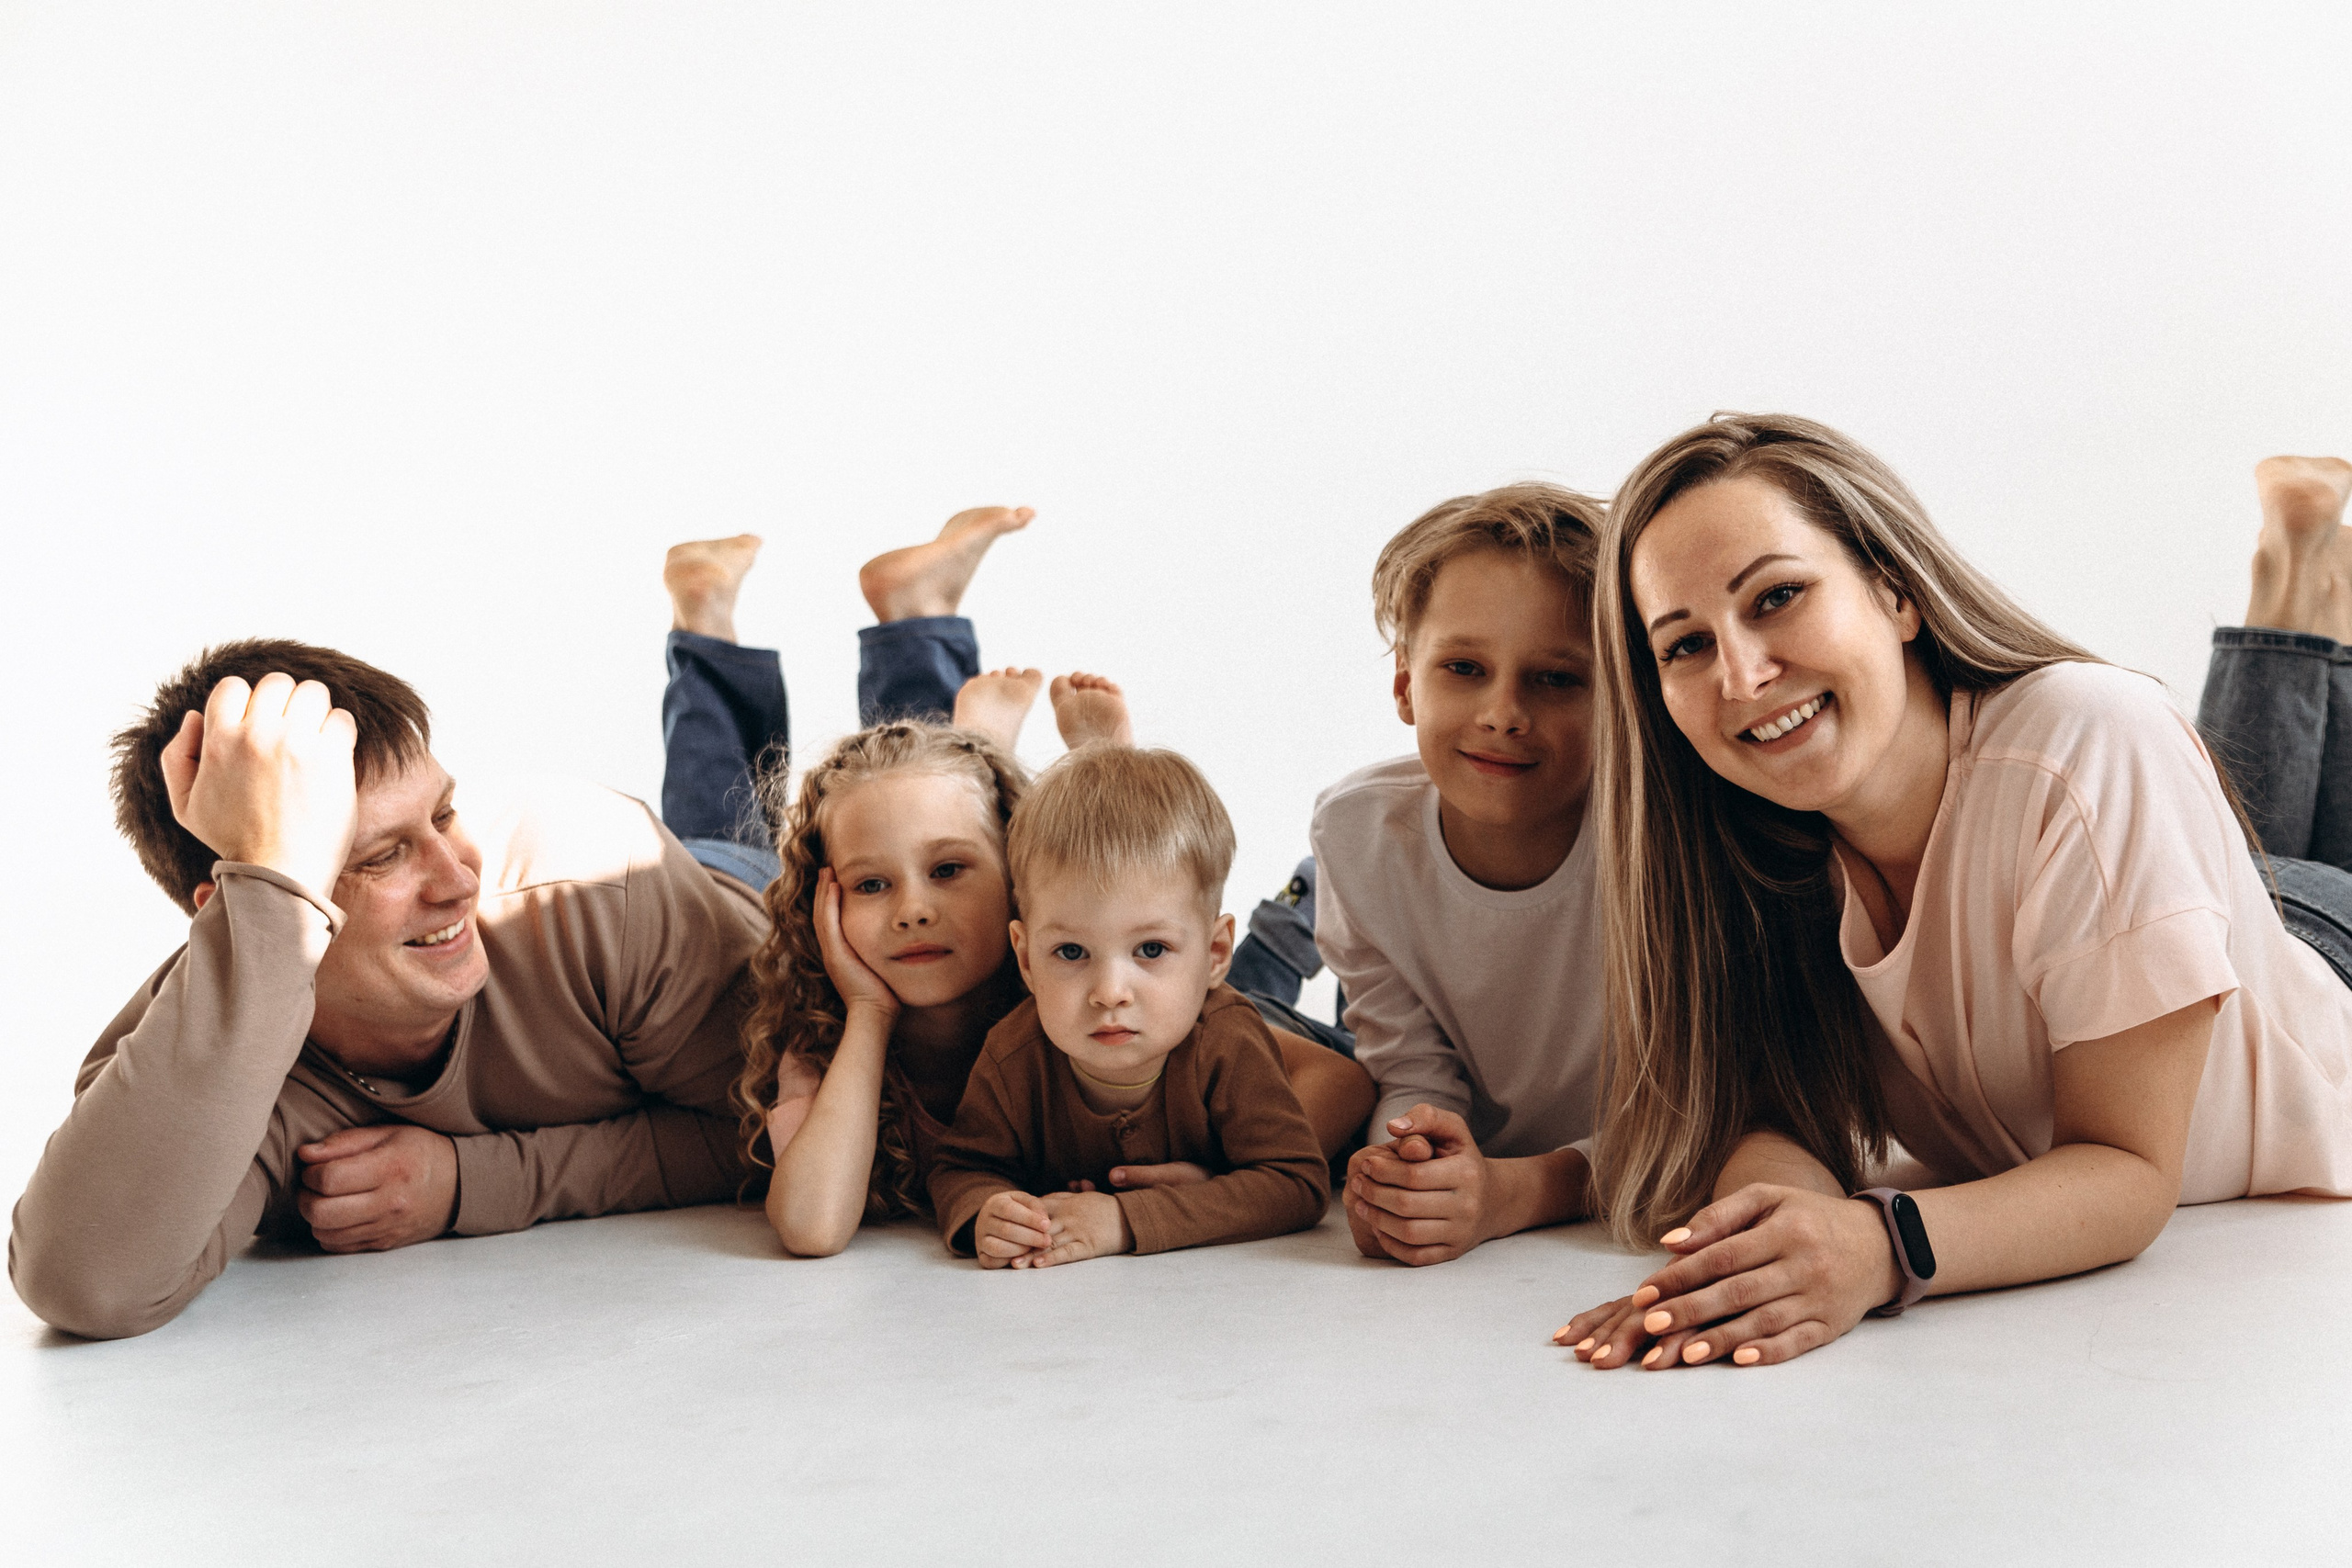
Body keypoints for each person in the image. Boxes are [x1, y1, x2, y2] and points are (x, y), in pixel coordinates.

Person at [1559, 417, 2352, 1371]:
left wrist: (1874, 1245)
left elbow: (2130, 1175)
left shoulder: (2086, 741)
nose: (1741, 675)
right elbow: (1769, 1118)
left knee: (2271, 827)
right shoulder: (1750, 840)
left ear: (1895, 593)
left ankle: (2298, 581)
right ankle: (2305, 578)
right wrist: (1763, 1243)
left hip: (2320, 957)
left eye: (1776, 596)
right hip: (2158, 904)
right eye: (1683, 646)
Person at [662, 513, 1373, 1258]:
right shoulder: (837, 1033)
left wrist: (1209, 1191)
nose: (913, 912)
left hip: (1148, 947)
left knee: (1220, 956)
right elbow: (816, 1223)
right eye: (870, 886)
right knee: (821, 819)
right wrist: (869, 1011)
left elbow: (1319, 1087)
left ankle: (1079, 754)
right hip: (783, 895)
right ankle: (995, 707)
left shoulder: (1093, 985)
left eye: (948, 872)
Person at [10, 643, 769, 1340]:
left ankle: (713, 632)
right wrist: (272, 890)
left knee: (755, 808)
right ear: (237, 904)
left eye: (443, 813)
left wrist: (470, 1183)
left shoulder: (603, 882)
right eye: (380, 857)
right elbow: (85, 1282)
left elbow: (796, 1138)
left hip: (745, 899)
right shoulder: (202, 1046)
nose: (457, 878)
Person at [1317, 483, 1614, 1265]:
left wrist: (1519, 1191)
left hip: (1607, 1181)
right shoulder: (1353, 831)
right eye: (1463, 667)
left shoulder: (1668, 851)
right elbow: (1411, 1069)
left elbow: (1707, 1117)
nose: (1503, 712)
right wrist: (1407, 1167)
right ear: (1406, 686)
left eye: (1557, 678)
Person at [928, 745, 1330, 1265]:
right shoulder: (1013, 1054)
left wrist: (1124, 1220)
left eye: (1151, 950)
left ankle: (1312, 892)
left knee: (1279, 968)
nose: (1110, 991)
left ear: (1213, 954)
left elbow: (1296, 1183)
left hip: (1309, 1033)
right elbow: (960, 1167)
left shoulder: (1227, 1041)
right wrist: (985, 1209)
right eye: (1071, 952)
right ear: (1025, 959)